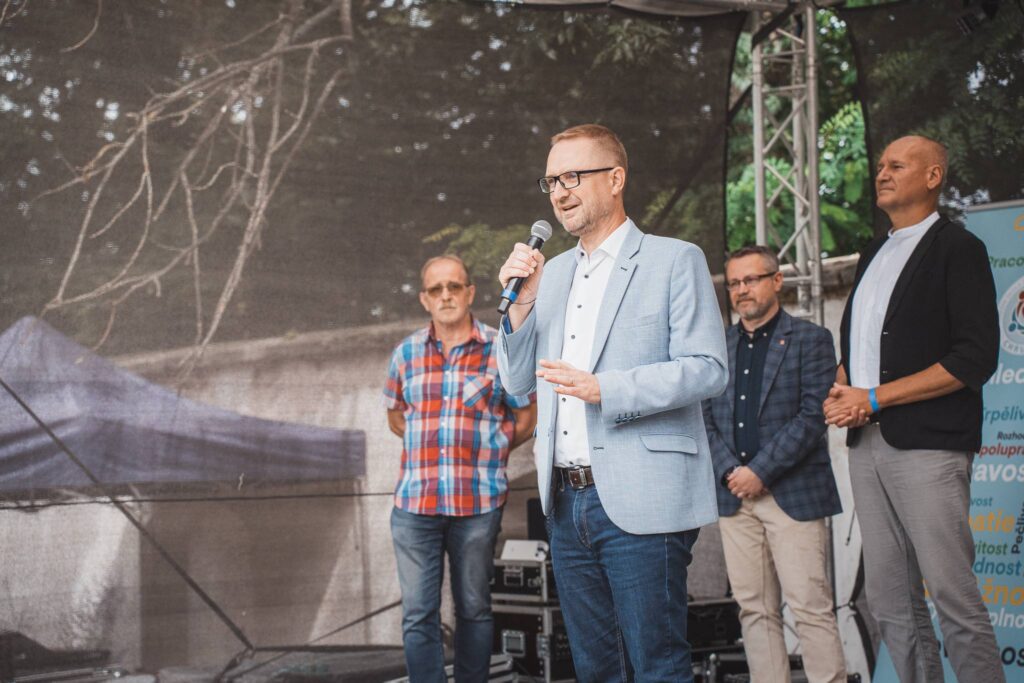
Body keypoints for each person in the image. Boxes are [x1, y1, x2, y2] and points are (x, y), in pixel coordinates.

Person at [496, 123, 728, 680]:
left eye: (573, 176)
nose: (559, 192)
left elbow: (708, 368)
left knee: (656, 666)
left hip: (642, 496)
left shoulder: (674, 259)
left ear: (616, 178)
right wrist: (520, 307)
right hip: (566, 502)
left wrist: (608, 389)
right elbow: (518, 382)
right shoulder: (550, 275)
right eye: (551, 181)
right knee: (595, 669)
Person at [823, 135, 1003, 683]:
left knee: (953, 598)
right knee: (890, 602)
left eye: (897, 165)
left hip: (928, 446)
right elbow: (865, 344)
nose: (882, 173)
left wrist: (875, 397)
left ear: (932, 176)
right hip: (867, 445)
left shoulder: (958, 248)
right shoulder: (873, 251)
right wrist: (844, 385)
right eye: (880, 165)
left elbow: (974, 358)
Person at [384, 254, 536, 683]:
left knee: (474, 609)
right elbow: (395, 416)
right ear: (424, 299)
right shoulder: (406, 353)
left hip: (478, 503)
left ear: (470, 293)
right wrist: (431, 445)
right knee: (418, 613)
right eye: (436, 289)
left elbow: (527, 416)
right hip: (415, 505)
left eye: (454, 286)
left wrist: (492, 449)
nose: (446, 295)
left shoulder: (498, 348)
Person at [702, 245, 847, 683]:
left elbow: (813, 416)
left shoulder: (811, 339)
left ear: (777, 281)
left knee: (810, 608)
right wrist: (732, 472)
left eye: (751, 279)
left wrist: (759, 472)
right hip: (734, 498)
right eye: (734, 283)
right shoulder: (716, 347)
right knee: (754, 611)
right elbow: (703, 419)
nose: (742, 290)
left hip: (791, 495)